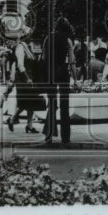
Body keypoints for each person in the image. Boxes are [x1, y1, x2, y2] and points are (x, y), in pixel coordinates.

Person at [41, 17, 74, 145]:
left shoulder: (47, 39)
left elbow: (43, 57)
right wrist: (75, 79)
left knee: (52, 104)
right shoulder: (68, 41)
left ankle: (48, 135)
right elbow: (72, 61)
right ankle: (65, 138)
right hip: (63, 74)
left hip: (50, 74)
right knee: (64, 106)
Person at [8, 28, 45, 133]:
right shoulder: (20, 48)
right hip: (23, 79)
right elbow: (20, 65)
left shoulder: (26, 47)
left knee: (31, 102)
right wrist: (27, 78)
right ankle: (12, 118)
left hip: (29, 78)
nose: (31, 38)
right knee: (25, 102)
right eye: (30, 36)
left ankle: (29, 125)